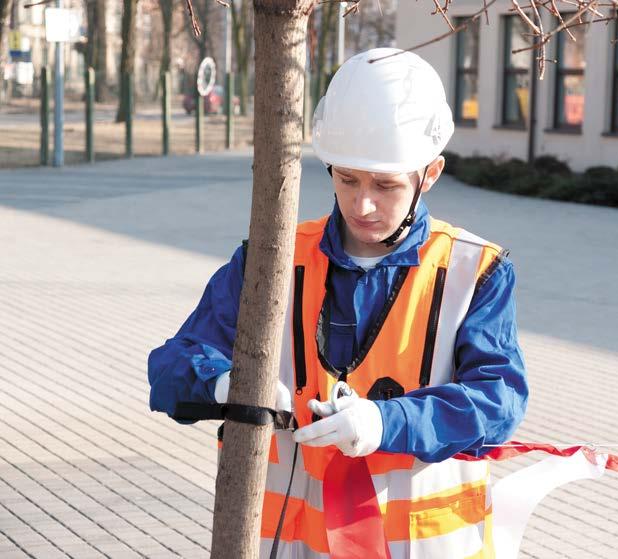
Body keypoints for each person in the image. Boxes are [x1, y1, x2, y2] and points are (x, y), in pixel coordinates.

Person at [148, 47, 528, 558]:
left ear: (430, 174)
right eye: (346, 178)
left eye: (385, 185)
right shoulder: (272, 260)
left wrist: (384, 423)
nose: (362, 203)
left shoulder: (475, 271)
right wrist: (227, 383)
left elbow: (499, 402)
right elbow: (173, 366)